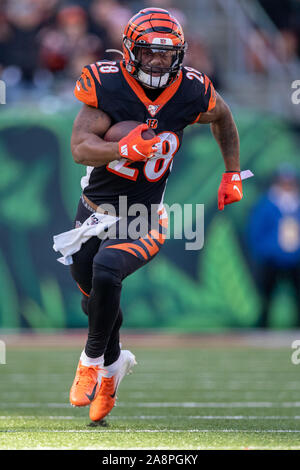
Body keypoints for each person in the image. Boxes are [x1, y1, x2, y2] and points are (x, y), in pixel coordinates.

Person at [54, 7, 243, 423]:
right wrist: (123, 148)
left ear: (180, 54)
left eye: (167, 53)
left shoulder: (191, 90)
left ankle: (89, 364)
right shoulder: (108, 85)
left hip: (144, 215)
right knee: (93, 296)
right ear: (129, 51)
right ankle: (113, 366)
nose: (159, 62)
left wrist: (231, 171)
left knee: (107, 269)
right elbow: (80, 147)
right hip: (93, 213)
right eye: (149, 53)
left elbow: (224, 116)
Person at [248, 165, 300, 328]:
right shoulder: (267, 204)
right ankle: (263, 326)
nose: (287, 185)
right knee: (266, 295)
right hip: (272, 259)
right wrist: (267, 251)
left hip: (296, 259)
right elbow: (256, 231)